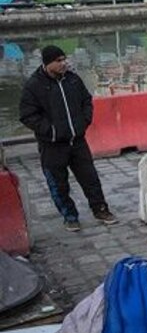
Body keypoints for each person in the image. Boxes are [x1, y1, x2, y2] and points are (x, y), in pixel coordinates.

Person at [19, 45, 117, 232]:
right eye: (58, 61)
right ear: (48, 64)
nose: (64, 63)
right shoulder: (34, 86)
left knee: (90, 178)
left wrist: (84, 121)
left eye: (64, 59)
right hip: (52, 145)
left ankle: (101, 210)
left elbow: (86, 101)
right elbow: (27, 115)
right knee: (58, 183)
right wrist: (51, 131)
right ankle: (70, 216)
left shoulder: (73, 80)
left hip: (77, 141)